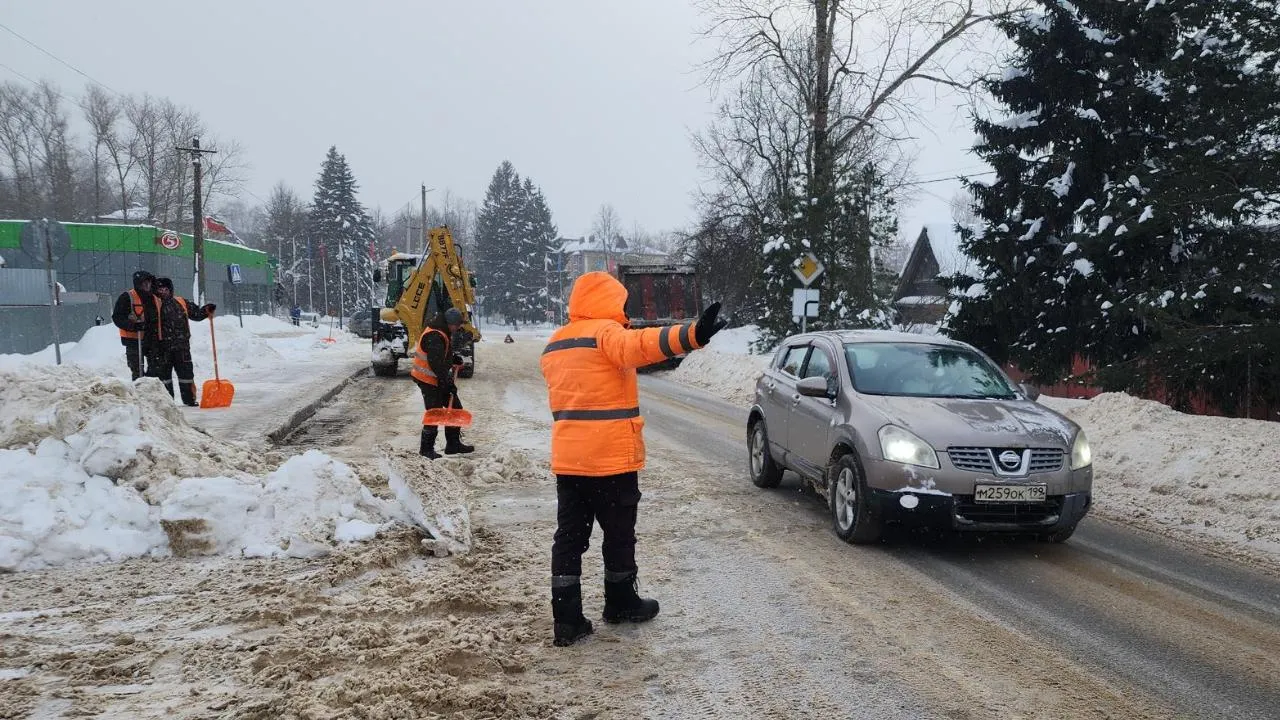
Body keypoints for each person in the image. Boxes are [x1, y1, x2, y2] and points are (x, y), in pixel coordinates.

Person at [539, 271, 725, 647]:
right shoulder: (606, 335)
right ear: (607, 302)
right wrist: (692, 335)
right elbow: (641, 345)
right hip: (610, 461)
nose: (624, 310)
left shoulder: (554, 344)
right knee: (619, 536)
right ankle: (621, 603)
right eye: (621, 302)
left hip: (569, 463)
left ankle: (567, 619)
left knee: (570, 539)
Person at [411, 307, 475, 459]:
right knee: (435, 413)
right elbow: (436, 364)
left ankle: (453, 444)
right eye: (457, 325)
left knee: (456, 408)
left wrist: (452, 359)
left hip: (435, 377)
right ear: (450, 323)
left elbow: (440, 355)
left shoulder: (442, 331)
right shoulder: (435, 335)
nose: (458, 328)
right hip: (427, 379)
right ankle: (426, 450)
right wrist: (448, 384)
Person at [150, 277, 215, 406]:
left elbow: (196, 314)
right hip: (162, 349)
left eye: (165, 289)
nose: (163, 292)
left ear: (170, 290)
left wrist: (206, 310)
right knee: (164, 378)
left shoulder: (181, 302)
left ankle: (189, 399)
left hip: (182, 347)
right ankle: (167, 402)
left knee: (186, 375)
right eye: (160, 289)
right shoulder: (153, 304)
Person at [111, 270, 160, 381]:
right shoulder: (127, 297)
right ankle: (139, 392)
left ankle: (151, 392)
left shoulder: (155, 298)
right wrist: (133, 326)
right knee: (138, 371)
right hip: (134, 341)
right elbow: (117, 317)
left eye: (149, 282)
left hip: (152, 340)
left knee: (156, 370)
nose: (147, 285)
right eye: (144, 283)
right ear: (138, 283)